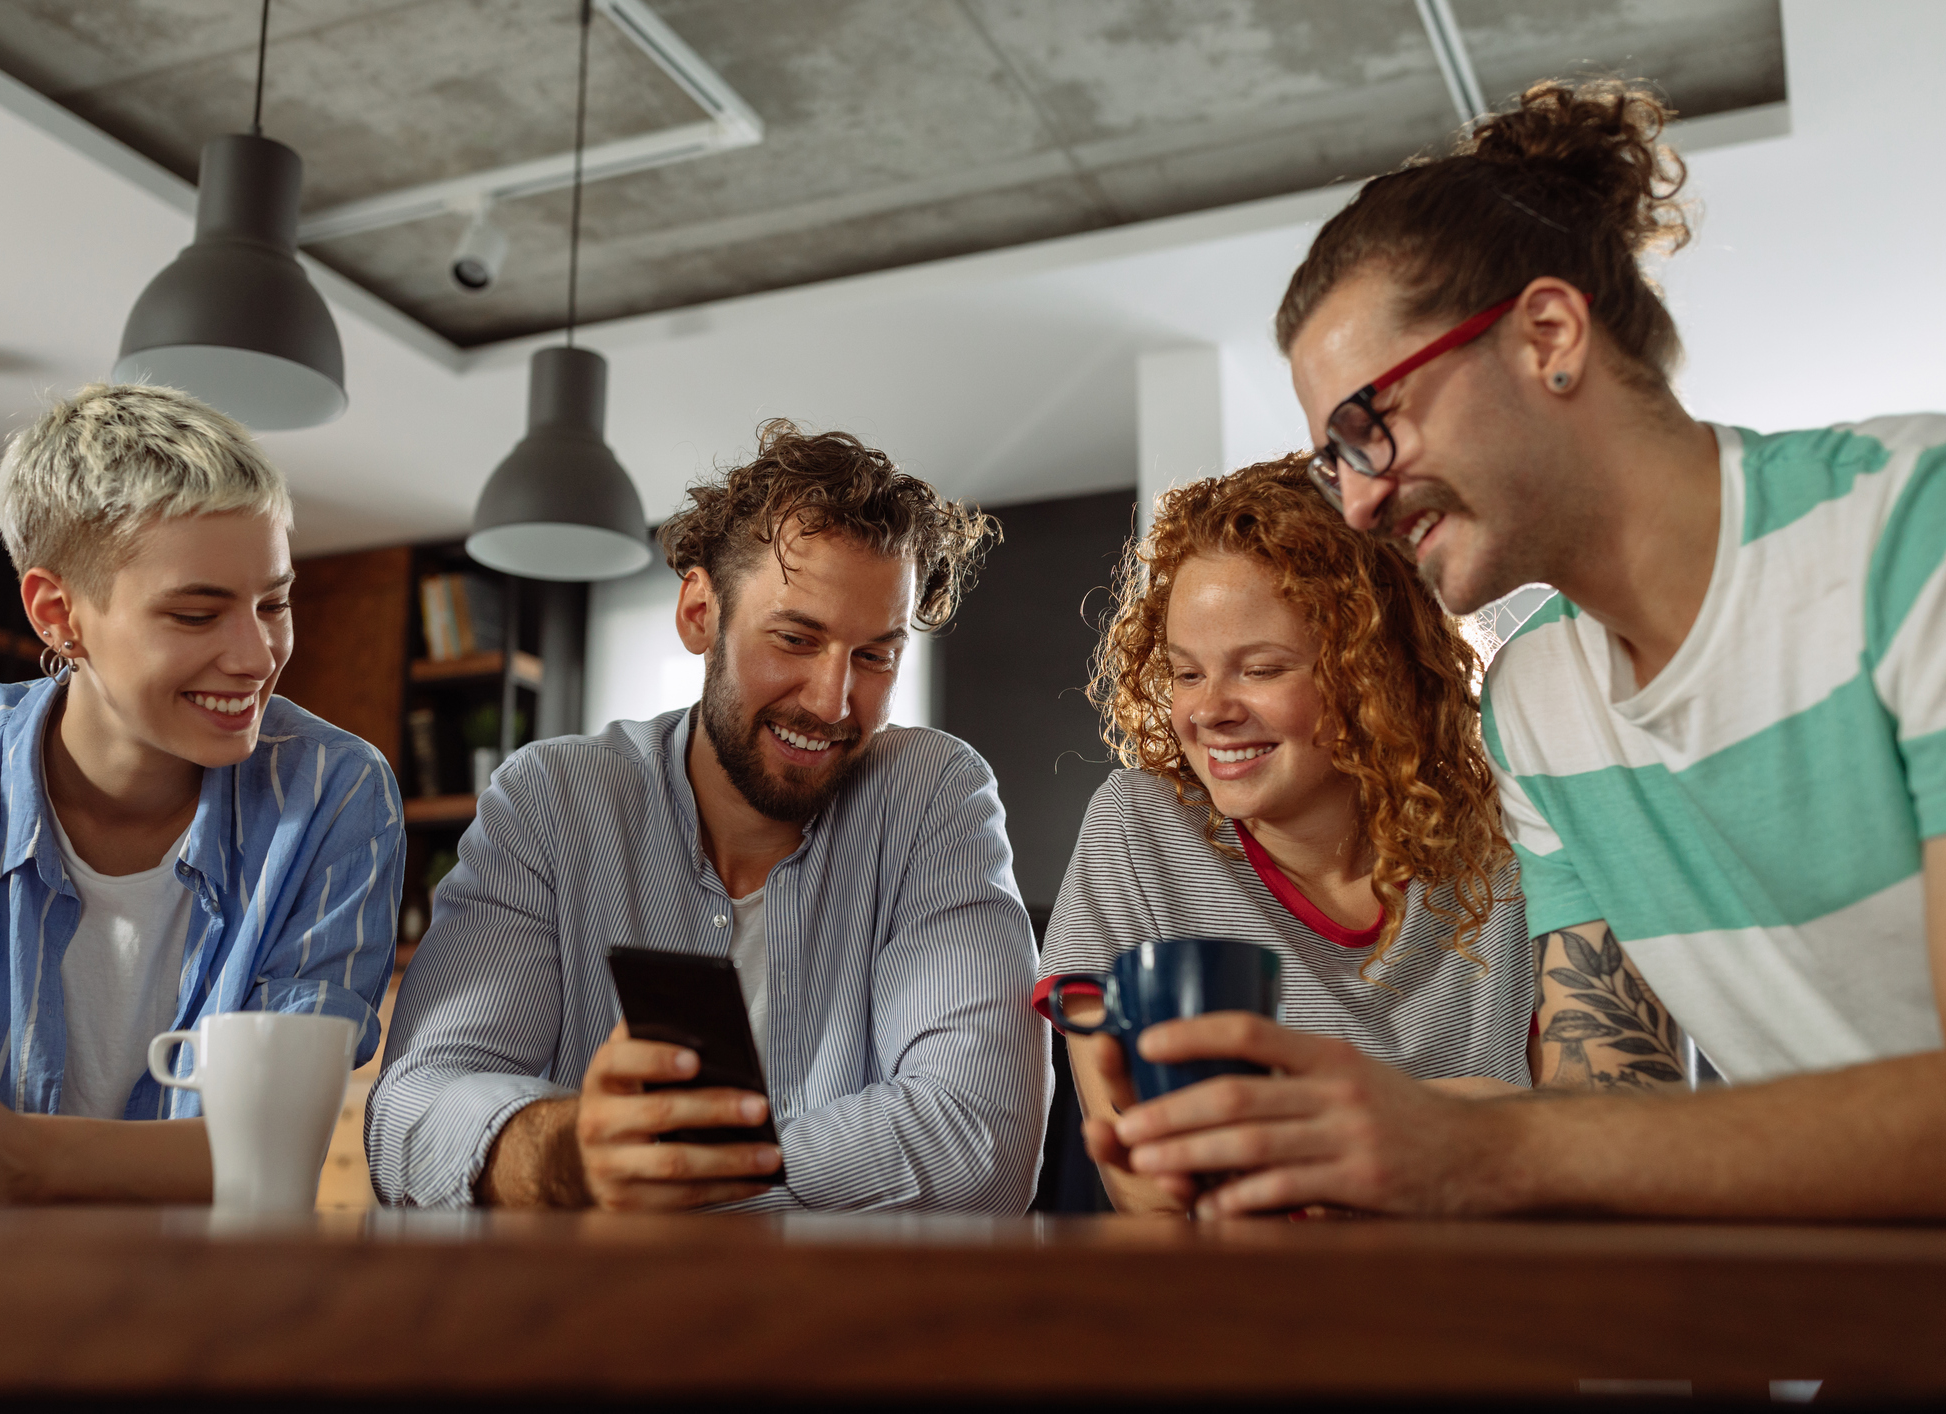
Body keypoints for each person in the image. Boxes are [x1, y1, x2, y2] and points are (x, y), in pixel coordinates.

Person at [1088, 79, 1946, 1218]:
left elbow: (1555, 1146)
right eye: (1336, 461)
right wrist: (1363, 1137)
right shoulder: (1539, 699)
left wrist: (1477, 1144)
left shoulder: (1910, 537)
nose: (1358, 504)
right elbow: (1613, 1110)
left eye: (1370, 426)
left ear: (1548, 336)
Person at [367, 420, 1050, 1212]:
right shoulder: (551, 801)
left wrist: (665, 1177)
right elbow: (408, 1117)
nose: (832, 702)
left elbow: (980, 1144)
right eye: (794, 639)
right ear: (699, 612)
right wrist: (570, 1153)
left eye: (874, 656)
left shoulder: (932, 796)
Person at [0, 383, 401, 1205]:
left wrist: (18, 1154)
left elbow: (274, 1150)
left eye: (273, 603)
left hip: (200, 1284)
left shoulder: (334, 795)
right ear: (58, 613)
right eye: (196, 615)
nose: (256, 657)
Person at [1040, 455, 1535, 1212]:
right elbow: (1143, 1181)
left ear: (1373, 670)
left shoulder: (1514, 835)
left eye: (1262, 670)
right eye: (1185, 673)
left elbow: (1596, 1133)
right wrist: (1463, 1126)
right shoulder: (1138, 829)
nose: (1210, 711)